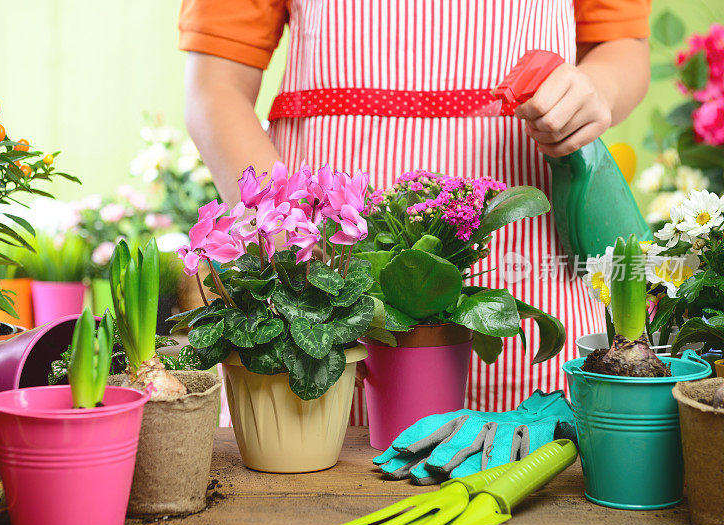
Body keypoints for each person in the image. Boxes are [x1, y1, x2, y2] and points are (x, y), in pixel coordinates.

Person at [179, 0, 651, 416]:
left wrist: (595, 91)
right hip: (325, 259)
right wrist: (292, 238)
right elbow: (216, 85)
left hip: (526, 261)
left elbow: (622, 44)